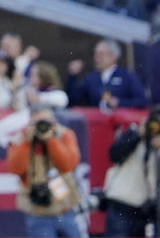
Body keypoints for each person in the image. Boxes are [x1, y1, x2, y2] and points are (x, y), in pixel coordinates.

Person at [6, 105, 83, 237]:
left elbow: (67, 165)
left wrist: (51, 140)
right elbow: (15, 168)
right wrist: (27, 143)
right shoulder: (21, 138)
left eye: (46, 122)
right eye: (38, 123)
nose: (42, 127)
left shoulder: (64, 134)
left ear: (53, 120)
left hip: (65, 209)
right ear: (30, 123)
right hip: (38, 213)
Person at [100, 106, 160, 237]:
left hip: (144, 210)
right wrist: (139, 134)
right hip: (121, 205)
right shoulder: (134, 132)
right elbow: (114, 154)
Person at [65, 39, 146, 110]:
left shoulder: (126, 76)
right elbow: (73, 99)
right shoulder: (91, 77)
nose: (96, 58)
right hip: (97, 123)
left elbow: (141, 101)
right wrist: (72, 75)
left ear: (113, 56)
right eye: (95, 54)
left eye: (101, 54)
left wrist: (120, 103)